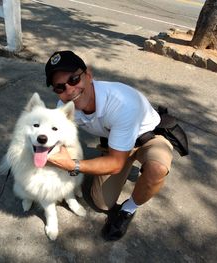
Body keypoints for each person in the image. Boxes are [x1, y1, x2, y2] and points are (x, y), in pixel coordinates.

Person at [45, 50, 174, 241]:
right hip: (114, 142)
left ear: (88, 75)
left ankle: (128, 209)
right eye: (60, 87)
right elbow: (55, 135)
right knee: (101, 202)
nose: (69, 90)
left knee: (157, 169)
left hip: (146, 138)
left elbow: (114, 164)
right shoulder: (64, 105)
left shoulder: (121, 103)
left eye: (74, 79)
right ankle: (126, 167)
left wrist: (72, 165)